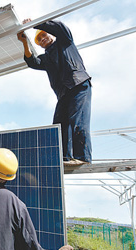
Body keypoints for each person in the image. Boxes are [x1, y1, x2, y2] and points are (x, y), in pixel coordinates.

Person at [17, 19, 92, 166]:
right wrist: (25, 42)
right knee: (59, 125)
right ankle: (65, 157)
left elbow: (61, 28)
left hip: (78, 84)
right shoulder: (46, 58)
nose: (43, 39)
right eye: (39, 39)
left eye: (44, 35)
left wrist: (36, 24)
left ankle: (82, 157)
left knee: (77, 120)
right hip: (64, 93)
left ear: (51, 34)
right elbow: (32, 62)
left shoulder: (65, 41)